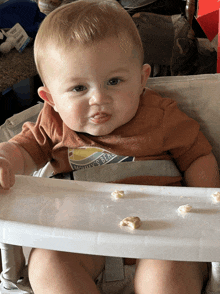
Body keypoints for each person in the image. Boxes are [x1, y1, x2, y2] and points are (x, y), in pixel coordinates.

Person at [0, 0, 219, 293]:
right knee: (47, 264)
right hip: (78, 239)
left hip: (160, 238)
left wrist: (208, 207)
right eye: (79, 88)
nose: (98, 98)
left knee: (168, 275)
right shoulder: (52, 123)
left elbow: (198, 157)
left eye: (114, 81)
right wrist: (4, 159)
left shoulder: (162, 115)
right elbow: (22, 151)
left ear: (142, 79)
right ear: (50, 98)